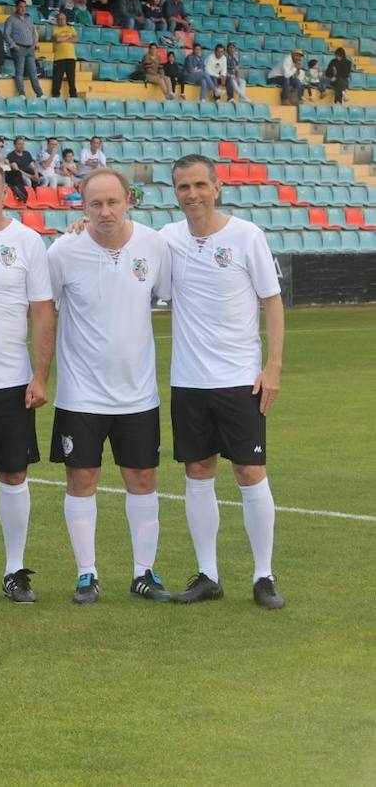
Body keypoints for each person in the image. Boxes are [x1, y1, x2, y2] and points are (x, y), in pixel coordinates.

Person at [161, 155, 285, 609]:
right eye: (182, 187)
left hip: (240, 380)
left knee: (250, 472)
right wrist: (81, 226)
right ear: (174, 192)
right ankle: (208, 574)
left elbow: (272, 301)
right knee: (198, 472)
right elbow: (125, 245)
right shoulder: (168, 240)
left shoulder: (246, 235)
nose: (191, 194)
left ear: (216, 187)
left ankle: (264, 575)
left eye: (199, 185)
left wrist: (273, 366)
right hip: (189, 381)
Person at [48, 168, 173, 605]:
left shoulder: (154, 245)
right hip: (81, 393)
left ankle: (144, 573)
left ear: (128, 201)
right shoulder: (63, 251)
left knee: (142, 477)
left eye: (112, 202)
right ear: (82, 206)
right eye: (95, 203)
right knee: (82, 477)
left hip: (138, 392)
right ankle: (87, 574)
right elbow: (42, 311)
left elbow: (173, 294)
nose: (104, 211)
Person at [4, 0, 42, 98]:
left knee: (33, 73)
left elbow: (34, 32)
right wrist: (13, 45)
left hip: (30, 49)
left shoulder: (29, 18)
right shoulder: (11, 19)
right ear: (16, 7)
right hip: (19, 48)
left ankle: (39, 94)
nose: (23, 9)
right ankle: (22, 93)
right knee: (19, 72)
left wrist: (35, 43)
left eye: (24, 7)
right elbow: (6, 34)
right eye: (21, 7)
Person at [50, 12, 77, 99]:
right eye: (60, 19)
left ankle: (73, 97)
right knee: (57, 80)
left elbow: (75, 39)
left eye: (63, 19)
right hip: (59, 58)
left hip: (71, 58)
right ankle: (55, 98)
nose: (62, 20)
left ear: (66, 20)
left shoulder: (71, 28)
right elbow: (57, 39)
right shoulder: (55, 30)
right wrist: (68, 37)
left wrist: (63, 38)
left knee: (71, 80)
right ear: (57, 21)